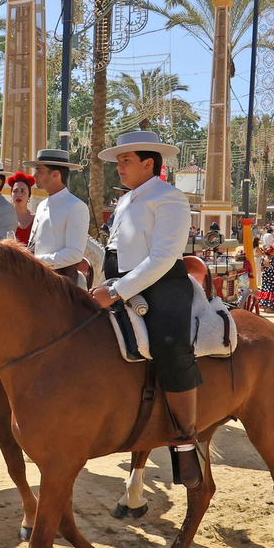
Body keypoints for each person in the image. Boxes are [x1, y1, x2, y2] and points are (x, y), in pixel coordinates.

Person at [87, 131, 204, 487]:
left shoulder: (170, 197)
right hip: (119, 284)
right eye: (118, 161)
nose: (119, 167)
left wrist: (117, 291)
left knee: (170, 345)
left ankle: (185, 441)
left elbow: (164, 257)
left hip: (164, 285)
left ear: (148, 163)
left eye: (126, 161)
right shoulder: (126, 200)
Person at [24, 148, 90, 285]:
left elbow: (75, 254)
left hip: (61, 285)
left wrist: (38, 261)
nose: (34, 175)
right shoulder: (41, 205)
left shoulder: (76, 206)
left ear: (55, 174)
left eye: (39, 170)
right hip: (37, 280)